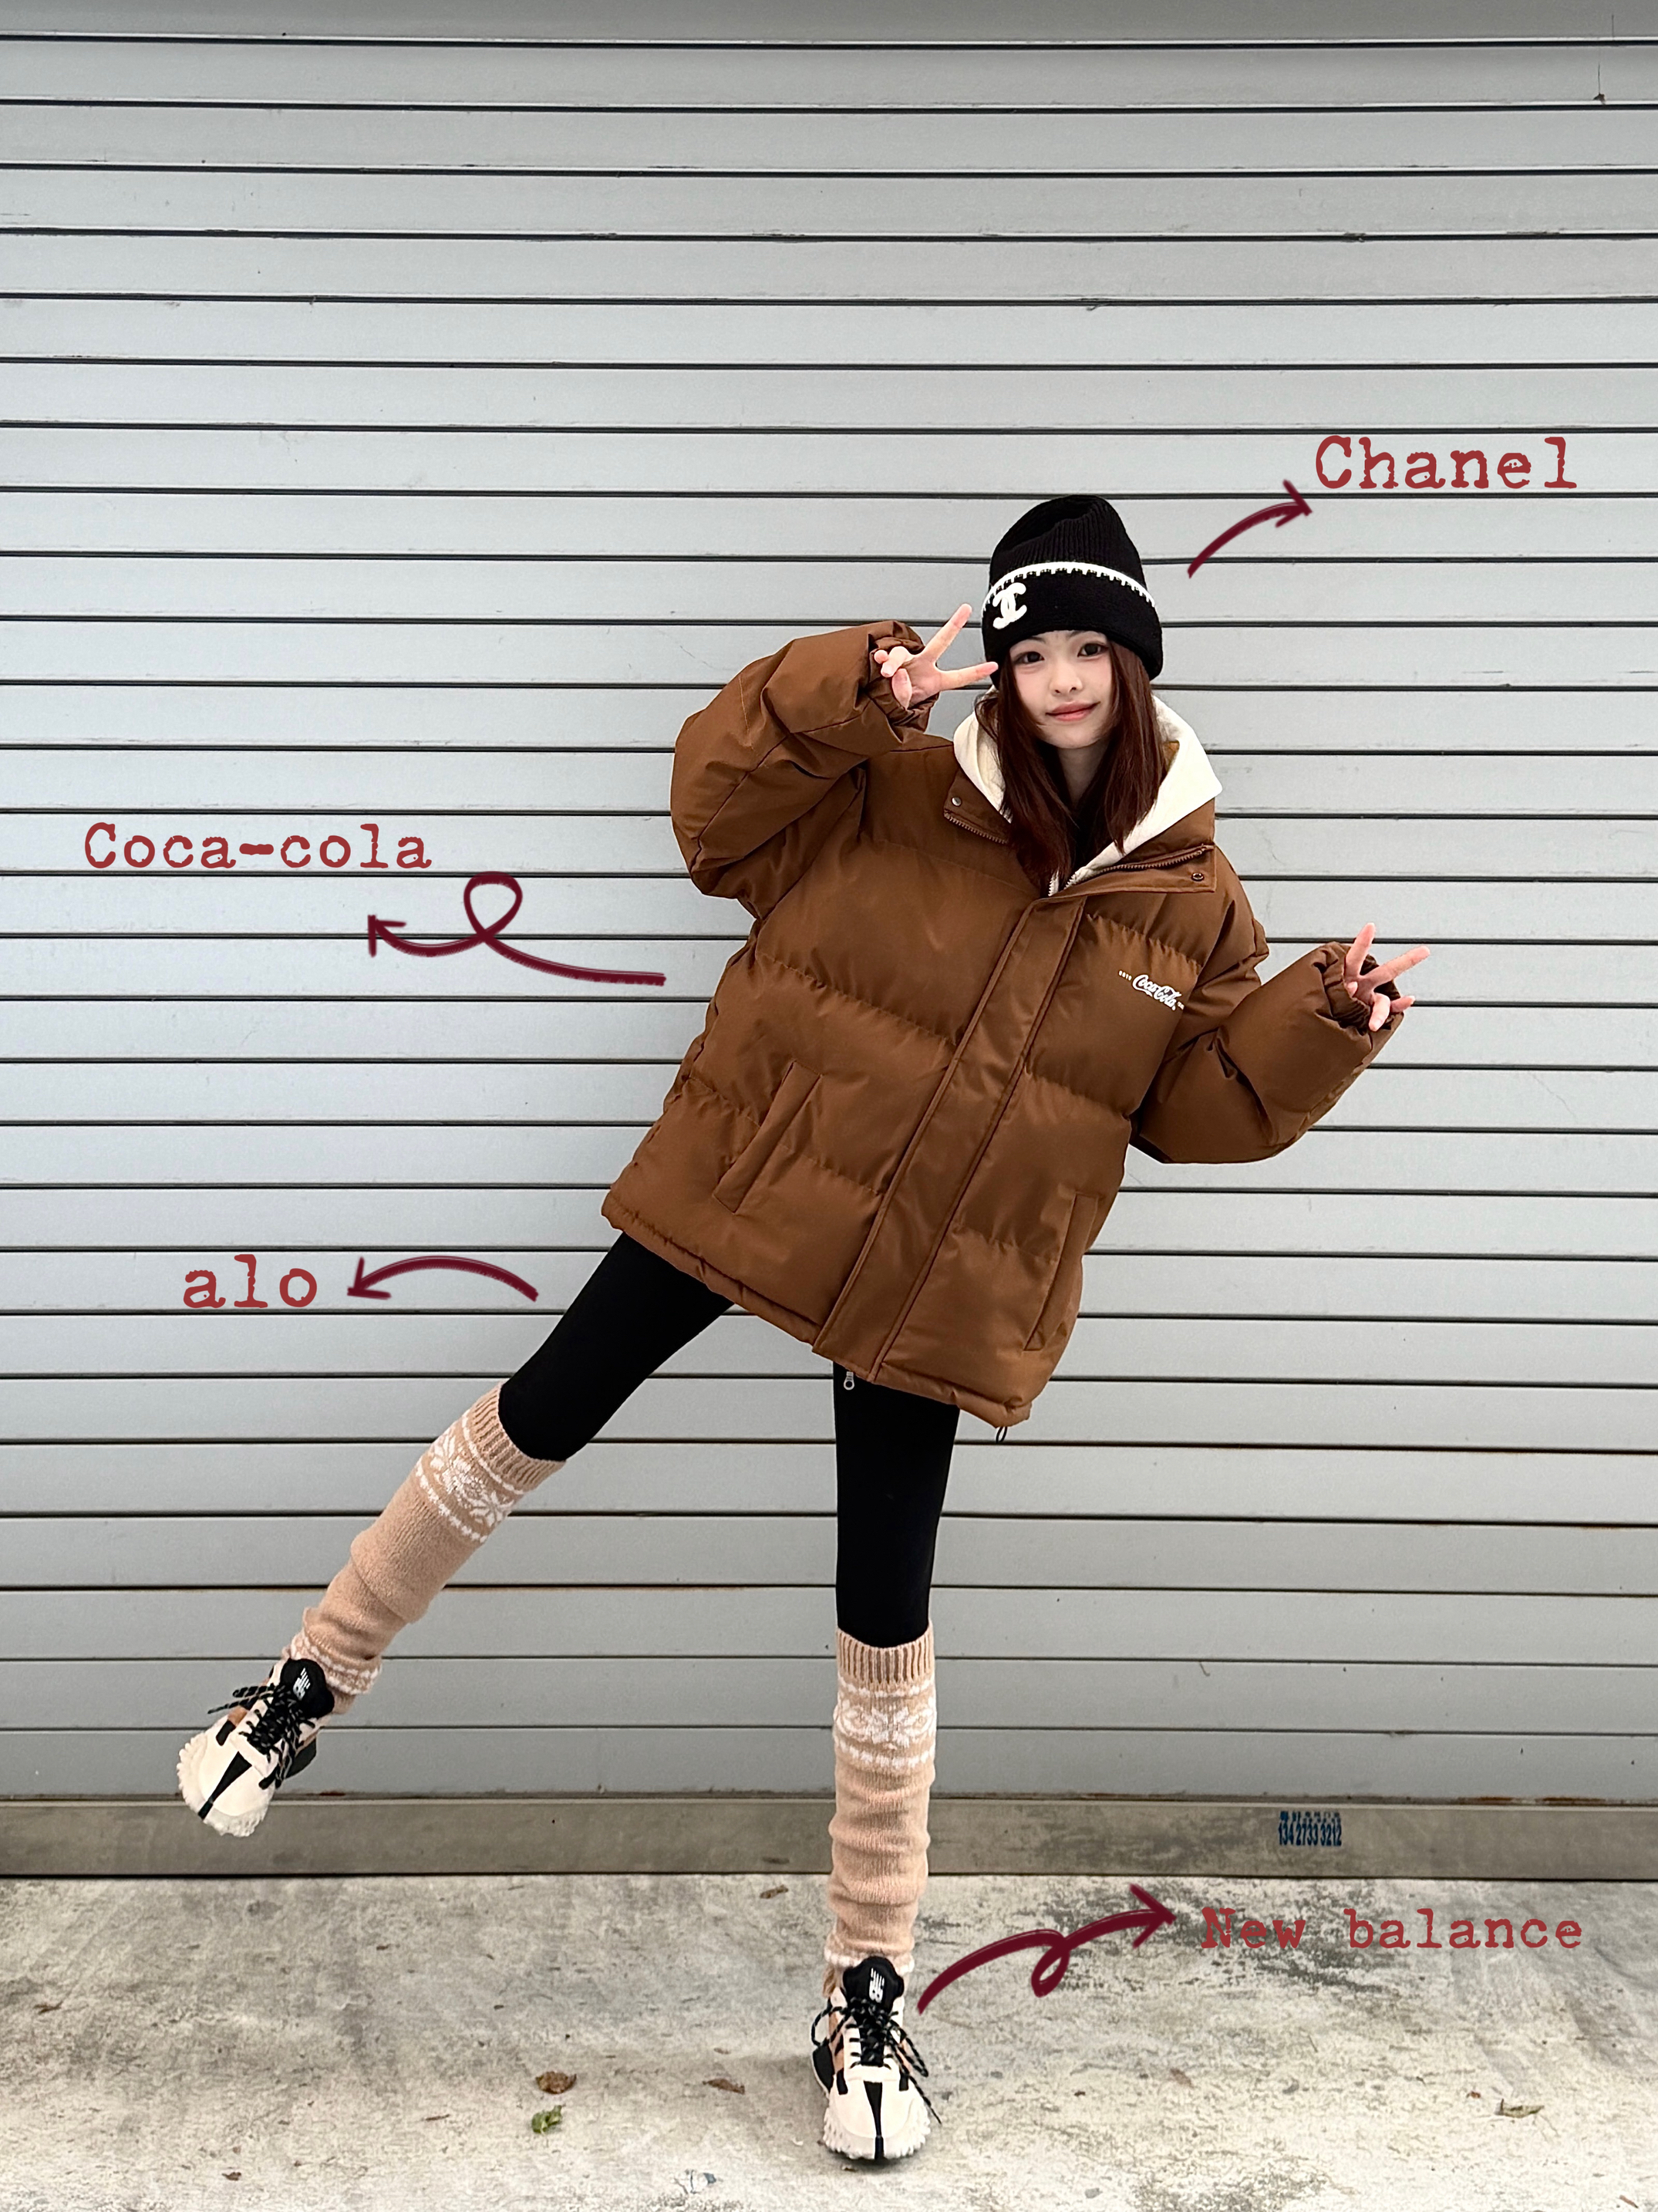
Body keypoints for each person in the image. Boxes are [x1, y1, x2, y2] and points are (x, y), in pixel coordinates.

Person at [177, 494, 1427, 2165]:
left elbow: (1193, 1108)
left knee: (883, 1604)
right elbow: (712, 809)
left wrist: (1321, 1023)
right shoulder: (895, 782)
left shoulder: (1195, 897)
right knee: (542, 1411)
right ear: (1001, 665)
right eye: (1033, 651)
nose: (1061, 679)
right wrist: (848, 691)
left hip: (941, 1272)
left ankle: (864, 1982)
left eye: (1091, 650)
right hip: (759, 1170)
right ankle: (300, 1682)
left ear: (1136, 669)